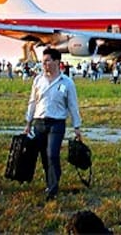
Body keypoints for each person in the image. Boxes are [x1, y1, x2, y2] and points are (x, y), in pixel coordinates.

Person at [24, 48, 82, 201]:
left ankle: (53, 188)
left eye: (48, 61)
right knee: (43, 156)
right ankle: (50, 182)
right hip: (39, 123)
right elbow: (32, 102)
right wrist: (28, 122)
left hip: (56, 124)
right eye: (43, 62)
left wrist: (77, 127)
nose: (45, 65)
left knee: (52, 154)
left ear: (57, 62)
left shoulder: (67, 82)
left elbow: (72, 105)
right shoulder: (38, 80)